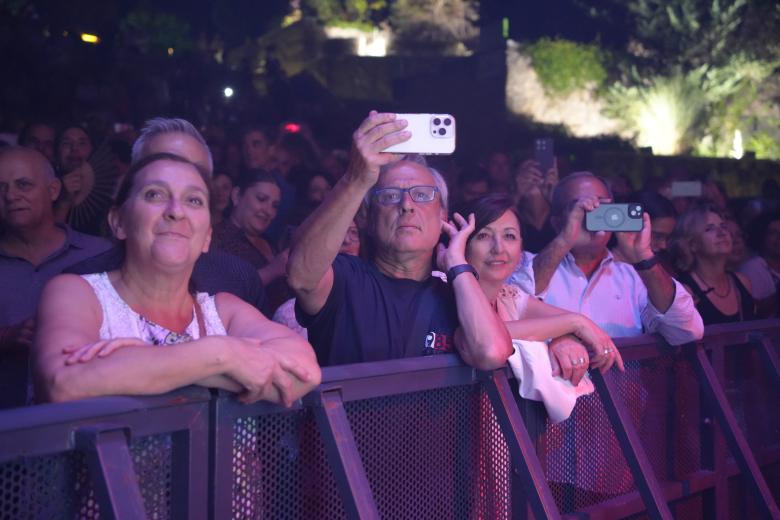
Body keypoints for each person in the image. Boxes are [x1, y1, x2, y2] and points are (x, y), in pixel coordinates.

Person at [33, 152, 320, 404]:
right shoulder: (77, 293)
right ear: (118, 222)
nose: (176, 211)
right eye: (155, 195)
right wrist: (222, 355)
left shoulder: (224, 310)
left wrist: (135, 365)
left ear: (207, 237)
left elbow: (304, 373)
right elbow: (64, 383)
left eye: (193, 200)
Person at [287, 111, 512, 368]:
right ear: (368, 220)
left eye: (423, 194)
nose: (407, 205)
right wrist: (356, 178)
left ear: (443, 217)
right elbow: (300, 275)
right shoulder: (343, 278)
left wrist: (458, 264)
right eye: (391, 196)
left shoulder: (456, 296)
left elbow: (492, 352)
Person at [457, 194, 624, 421]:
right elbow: (491, 337)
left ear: (521, 248)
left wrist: (564, 337)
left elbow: (558, 323)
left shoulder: (510, 295)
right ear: (462, 243)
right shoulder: (447, 287)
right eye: (484, 236)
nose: (498, 248)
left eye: (509, 236)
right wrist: (575, 323)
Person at [509, 171, 703, 344]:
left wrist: (644, 257)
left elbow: (686, 331)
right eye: (581, 206)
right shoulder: (525, 265)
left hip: (621, 384)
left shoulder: (633, 278)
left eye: (602, 206)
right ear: (558, 222)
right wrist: (564, 240)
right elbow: (510, 306)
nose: (592, 212)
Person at [0, 147, 112, 351]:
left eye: (23, 185)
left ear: (53, 190)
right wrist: (5, 337)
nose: (10, 196)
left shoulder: (100, 254)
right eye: (0, 188)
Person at [670, 202, 756, 325]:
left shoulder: (743, 282)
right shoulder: (685, 291)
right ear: (692, 244)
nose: (722, 232)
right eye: (709, 229)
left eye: (723, 226)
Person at [211, 169, 288, 287]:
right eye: (261, 199)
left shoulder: (268, 241)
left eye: (275, 206)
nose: (268, 211)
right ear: (236, 196)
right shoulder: (217, 238)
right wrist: (272, 271)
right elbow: (220, 290)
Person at [738, 211, 780, 318]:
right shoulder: (752, 268)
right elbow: (753, 312)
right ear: (761, 236)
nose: (779, 237)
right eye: (773, 232)